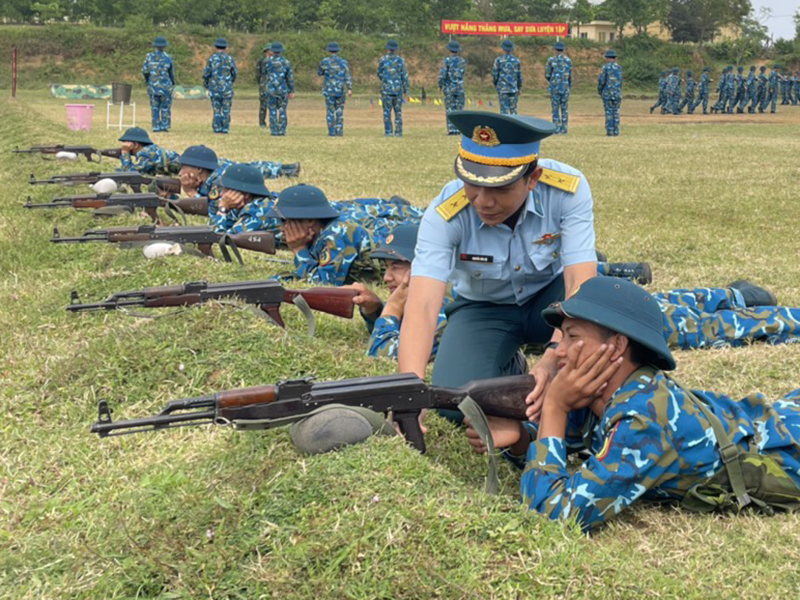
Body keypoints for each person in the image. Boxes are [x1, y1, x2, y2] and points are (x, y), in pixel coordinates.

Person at [463, 277, 800, 532]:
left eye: (573, 337)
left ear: (617, 346)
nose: (558, 352)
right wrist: (522, 440)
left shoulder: (641, 418)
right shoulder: (610, 393)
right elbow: (565, 442)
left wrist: (554, 407)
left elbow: (557, 513)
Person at [397, 109, 598, 420]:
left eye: (500, 189)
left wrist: (552, 359)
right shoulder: (445, 214)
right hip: (484, 309)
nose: (482, 201)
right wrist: (409, 391)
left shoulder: (567, 191)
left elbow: (580, 284)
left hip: (554, 301)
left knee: (590, 362)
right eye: (472, 184)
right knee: (457, 405)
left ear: (533, 179)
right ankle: (508, 366)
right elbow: (422, 306)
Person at [267, 184, 378, 285]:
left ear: (309, 220)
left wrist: (299, 249)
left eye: (284, 220)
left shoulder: (336, 234)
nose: (282, 228)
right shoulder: (320, 233)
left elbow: (323, 283)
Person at [209, 163, 276, 234]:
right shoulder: (249, 205)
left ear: (245, 194)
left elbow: (220, 237)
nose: (221, 194)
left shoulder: (257, 212)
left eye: (225, 189)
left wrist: (222, 209)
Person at [202, 38, 238, 134]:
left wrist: (206, 84)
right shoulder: (230, 59)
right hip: (227, 88)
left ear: (215, 47)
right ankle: (225, 128)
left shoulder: (212, 59)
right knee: (226, 109)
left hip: (214, 88)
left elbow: (206, 73)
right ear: (226, 47)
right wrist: (230, 82)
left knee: (216, 109)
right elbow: (234, 73)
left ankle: (217, 128)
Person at [318, 42, 353, 137]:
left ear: (329, 50)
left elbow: (320, 72)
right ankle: (339, 131)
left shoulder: (324, 61)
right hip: (340, 90)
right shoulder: (343, 62)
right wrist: (349, 88)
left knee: (330, 111)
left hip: (329, 90)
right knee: (339, 110)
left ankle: (331, 132)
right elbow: (347, 76)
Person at [377, 39, 410, 137]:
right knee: (398, 112)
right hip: (398, 90)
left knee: (387, 112)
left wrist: (385, 80)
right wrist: (406, 90)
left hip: (386, 90)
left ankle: (388, 132)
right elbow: (405, 75)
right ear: (395, 49)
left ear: (387, 49)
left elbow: (379, 73)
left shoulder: (383, 60)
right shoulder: (400, 60)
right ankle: (399, 132)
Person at [142, 37, 175, 133]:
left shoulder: (149, 57)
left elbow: (145, 71)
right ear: (164, 47)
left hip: (153, 85)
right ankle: (164, 126)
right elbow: (171, 72)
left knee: (155, 106)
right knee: (165, 107)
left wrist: (147, 80)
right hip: (165, 86)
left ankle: (156, 126)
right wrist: (172, 82)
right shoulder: (168, 57)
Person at [262, 42, 295, 136]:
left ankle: (273, 130)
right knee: (282, 109)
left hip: (270, 89)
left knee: (272, 109)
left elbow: (264, 73)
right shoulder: (286, 62)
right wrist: (291, 90)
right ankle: (282, 130)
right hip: (283, 89)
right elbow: (289, 78)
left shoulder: (266, 61)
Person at [439, 41, 466, 135]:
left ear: (449, 50)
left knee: (450, 109)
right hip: (460, 87)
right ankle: (460, 129)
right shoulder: (462, 61)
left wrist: (440, 85)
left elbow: (442, 75)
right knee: (459, 109)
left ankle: (451, 129)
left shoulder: (446, 61)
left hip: (449, 88)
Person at [544, 41, 571, 133]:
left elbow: (547, 74)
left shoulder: (551, 60)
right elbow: (570, 75)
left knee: (555, 108)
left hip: (554, 87)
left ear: (555, 50)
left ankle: (556, 128)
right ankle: (564, 128)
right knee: (564, 108)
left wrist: (553, 81)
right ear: (563, 50)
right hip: (565, 87)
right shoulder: (568, 60)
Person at [493, 39, 522, 116]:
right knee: (514, 111)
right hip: (513, 88)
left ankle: (504, 127)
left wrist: (496, 84)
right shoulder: (516, 60)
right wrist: (519, 88)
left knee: (504, 111)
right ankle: (515, 127)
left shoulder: (498, 60)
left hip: (503, 89)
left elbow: (495, 74)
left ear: (503, 48)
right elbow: (519, 75)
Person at [597, 50, 622, 136]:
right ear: (615, 58)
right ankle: (616, 131)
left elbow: (602, 80)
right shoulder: (619, 68)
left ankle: (610, 131)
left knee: (609, 112)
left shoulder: (605, 67)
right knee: (616, 112)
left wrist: (599, 90)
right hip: (617, 93)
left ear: (607, 58)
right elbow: (620, 81)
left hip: (607, 93)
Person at [256, 45, 271, 128]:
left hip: (272, 85)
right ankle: (262, 122)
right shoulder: (261, 61)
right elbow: (258, 74)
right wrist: (261, 82)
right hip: (264, 84)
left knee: (272, 105)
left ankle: (272, 121)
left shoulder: (276, 60)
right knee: (263, 105)